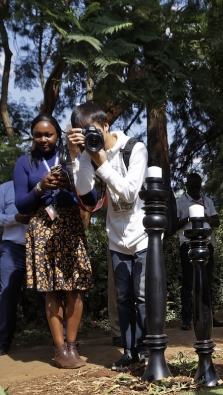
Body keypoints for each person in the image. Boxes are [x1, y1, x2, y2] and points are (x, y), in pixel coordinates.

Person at [69, 102, 150, 371]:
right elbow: (83, 191)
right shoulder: (89, 154)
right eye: (82, 133)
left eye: (92, 131)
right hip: (116, 238)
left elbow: (128, 193)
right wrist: (77, 155)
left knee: (142, 297)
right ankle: (129, 351)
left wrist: (101, 162)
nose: (89, 137)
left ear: (106, 125)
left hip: (142, 235)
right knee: (123, 299)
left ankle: (148, 348)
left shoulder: (134, 149)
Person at [14, 114, 98, 369]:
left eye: (48, 134)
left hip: (71, 226)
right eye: (38, 134)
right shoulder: (24, 163)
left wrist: (70, 185)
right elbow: (21, 203)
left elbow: (92, 198)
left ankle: (72, 346)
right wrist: (40, 187)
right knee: (51, 289)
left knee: (75, 288)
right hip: (42, 227)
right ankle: (60, 348)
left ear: (58, 135)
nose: (43, 139)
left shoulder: (73, 159)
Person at [0, 180, 31, 356]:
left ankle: (62, 340)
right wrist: (14, 219)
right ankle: (2, 341)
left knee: (48, 293)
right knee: (7, 293)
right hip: (13, 247)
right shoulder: (5, 188)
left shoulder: (46, 187)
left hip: (40, 247)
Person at [176, 173, 223, 331]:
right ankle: (186, 319)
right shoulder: (180, 203)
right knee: (188, 283)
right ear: (187, 185)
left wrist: (206, 218)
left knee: (207, 281)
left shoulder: (207, 201)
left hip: (206, 244)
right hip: (188, 245)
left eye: (198, 187)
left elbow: (217, 221)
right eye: (193, 186)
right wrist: (189, 218)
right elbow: (174, 224)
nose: (196, 190)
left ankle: (208, 316)